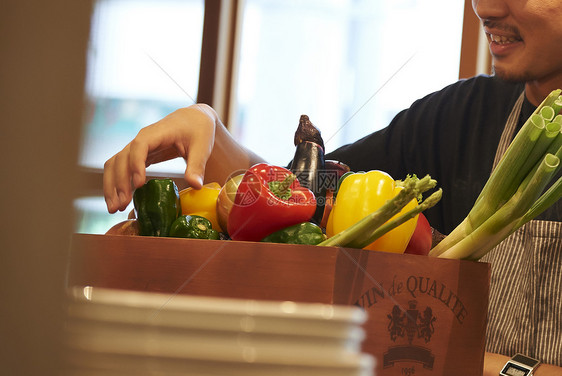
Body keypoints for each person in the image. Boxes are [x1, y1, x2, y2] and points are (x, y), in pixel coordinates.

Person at [103, 0, 562, 374]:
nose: (484, 7)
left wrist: (500, 368)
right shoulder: (459, 116)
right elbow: (299, 198)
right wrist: (207, 127)